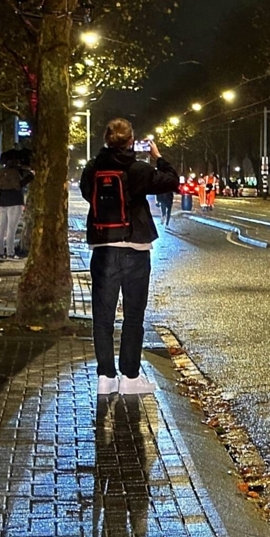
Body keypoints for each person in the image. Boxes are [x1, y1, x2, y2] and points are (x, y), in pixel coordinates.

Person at [81, 119, 179, 395]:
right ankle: (130, 378)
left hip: (103, 249)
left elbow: (89, 194)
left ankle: (105, 377)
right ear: (130, 141)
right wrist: (158, 158)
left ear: (106, 139)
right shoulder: (138, 169)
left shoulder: (93, 168)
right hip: (135, 249)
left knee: (103, 316)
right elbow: (172, 181)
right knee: (133, 315)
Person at [0, 156, 33, 260]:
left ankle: (0, 253)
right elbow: (17, 186)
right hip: (14, 202)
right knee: (11, 228)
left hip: (3, 202)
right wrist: (30, 177)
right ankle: (10, 253)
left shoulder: (1, 172)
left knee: (1, 227)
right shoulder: (14, 172)